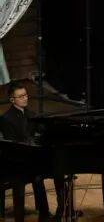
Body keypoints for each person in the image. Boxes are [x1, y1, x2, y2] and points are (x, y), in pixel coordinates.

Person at [0, 82, 51, 219]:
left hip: (28, 159)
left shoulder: (30, 114)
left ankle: (44, 214)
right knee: (34, 175)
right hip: (13, 163)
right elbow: (12, 146)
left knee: (39, 176)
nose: (25, 98)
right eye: (21, 96)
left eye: (26, 95)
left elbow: (39, 132)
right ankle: (20, 216)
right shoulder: (6, 119)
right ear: (12, 100)